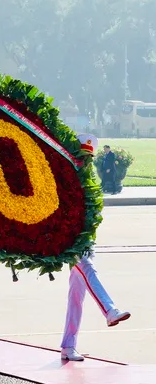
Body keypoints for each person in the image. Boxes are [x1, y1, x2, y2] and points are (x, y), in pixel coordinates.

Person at [60, 134, 131, 361]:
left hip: (87, 240)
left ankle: (68, 346)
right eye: (81, 156)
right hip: (70, 242)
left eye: (88, 157)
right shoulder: (65, 175)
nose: (84, 160)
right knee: (89, 270)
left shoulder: (88, 179)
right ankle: (109, 310)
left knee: (76, 297)